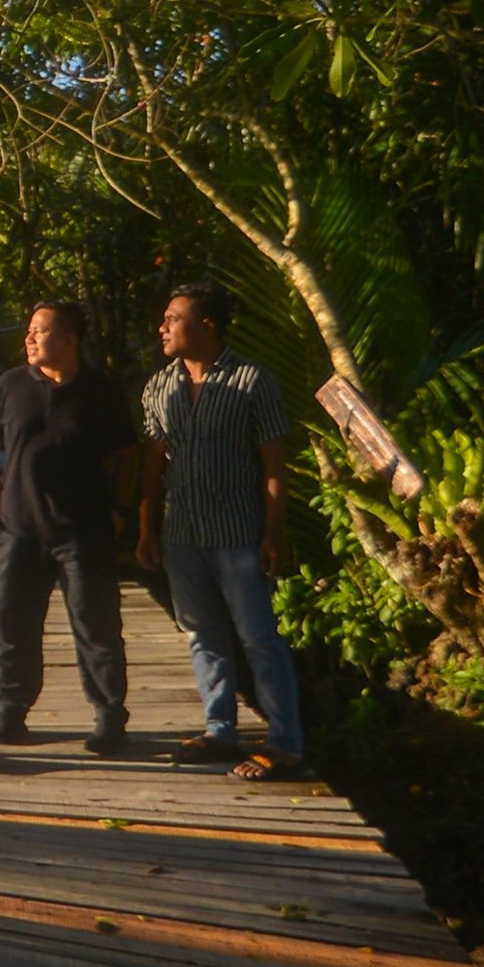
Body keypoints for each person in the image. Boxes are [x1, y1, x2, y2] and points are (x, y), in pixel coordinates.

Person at [136, 281, 308, 779]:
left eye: (173, 318)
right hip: (182, 534)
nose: (162, 327)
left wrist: (274, 534)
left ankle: (285, 742)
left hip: (238, 534)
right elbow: (153, 466)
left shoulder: (252, 382)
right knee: (201, 634)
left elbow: (274, 465)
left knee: (258, 639)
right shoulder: (159, 386)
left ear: (205, 326)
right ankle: (220, 730)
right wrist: (147, 529)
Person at [0, 299, 131, 755]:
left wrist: (121, 508)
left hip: (83, 532)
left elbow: (129, 453)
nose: (29, 337)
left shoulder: (101, 392)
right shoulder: (9, 387)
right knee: (14, 623)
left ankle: (109, 715)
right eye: (28, 330)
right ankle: (11, 710)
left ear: (70, 341)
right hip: (19, 530)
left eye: (40, 330)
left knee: (96, 625)